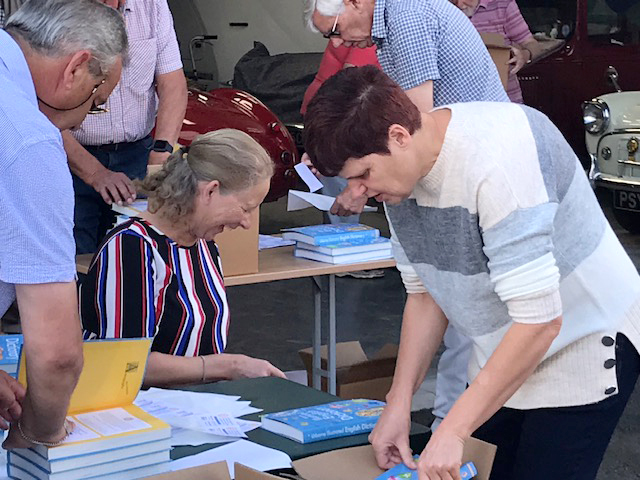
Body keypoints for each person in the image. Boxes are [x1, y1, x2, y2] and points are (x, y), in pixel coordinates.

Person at [304, 65, 640, 480]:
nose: (357, 194)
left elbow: (540, 322)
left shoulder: (498, 163)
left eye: (361, 176)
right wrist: (398, 401)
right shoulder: (397, 177)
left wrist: (454, 426)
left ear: (398, 135)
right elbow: (426, 295)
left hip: (584, 345)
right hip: (503, 349)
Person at [303, 0, 508, 430]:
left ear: (357, 2)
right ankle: (451, 425)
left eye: (335, 29)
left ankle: (453, 427)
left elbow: (410, 126)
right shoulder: (392, 22)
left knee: (468, 311)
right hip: (465, 169)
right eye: (329, 37)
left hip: (477, 176)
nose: (339, 43)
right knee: (448, 300)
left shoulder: (407, 16)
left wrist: (362, 179)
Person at [0, 0, 127, 448]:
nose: (82, 119)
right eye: (97, 103)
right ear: (76, 68)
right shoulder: (32, 142)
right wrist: (38, 431)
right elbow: (56, 356)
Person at [79, 129, 286, 387]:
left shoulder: (204, 246)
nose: (246, 222)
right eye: (245, 208)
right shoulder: (132, 247)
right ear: (210, 191)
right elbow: (125, 362)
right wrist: (225, 366)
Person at [63, 0, 188, 255]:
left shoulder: (152, 5)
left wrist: (160, 156)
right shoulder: (57, 8)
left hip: (137, 155)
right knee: (73, 262)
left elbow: (173, 84)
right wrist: (95, 173)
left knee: (135, 258)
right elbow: (41, 109)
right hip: (69, 160)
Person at [301, 42, 379, 226]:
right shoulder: (356, 37)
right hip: (331, 123)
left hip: (332, 123)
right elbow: (349, 94)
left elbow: (350, 92)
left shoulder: (361, 39)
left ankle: (341, 240)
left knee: (338, 193)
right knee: (337, 194)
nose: (334, 40)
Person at [452, 0, 543, 103]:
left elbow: (531, 43)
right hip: (459, 105)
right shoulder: (440, 8)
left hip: (505, 101)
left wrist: (524, 55)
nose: (459, 4)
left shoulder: (503, 5)